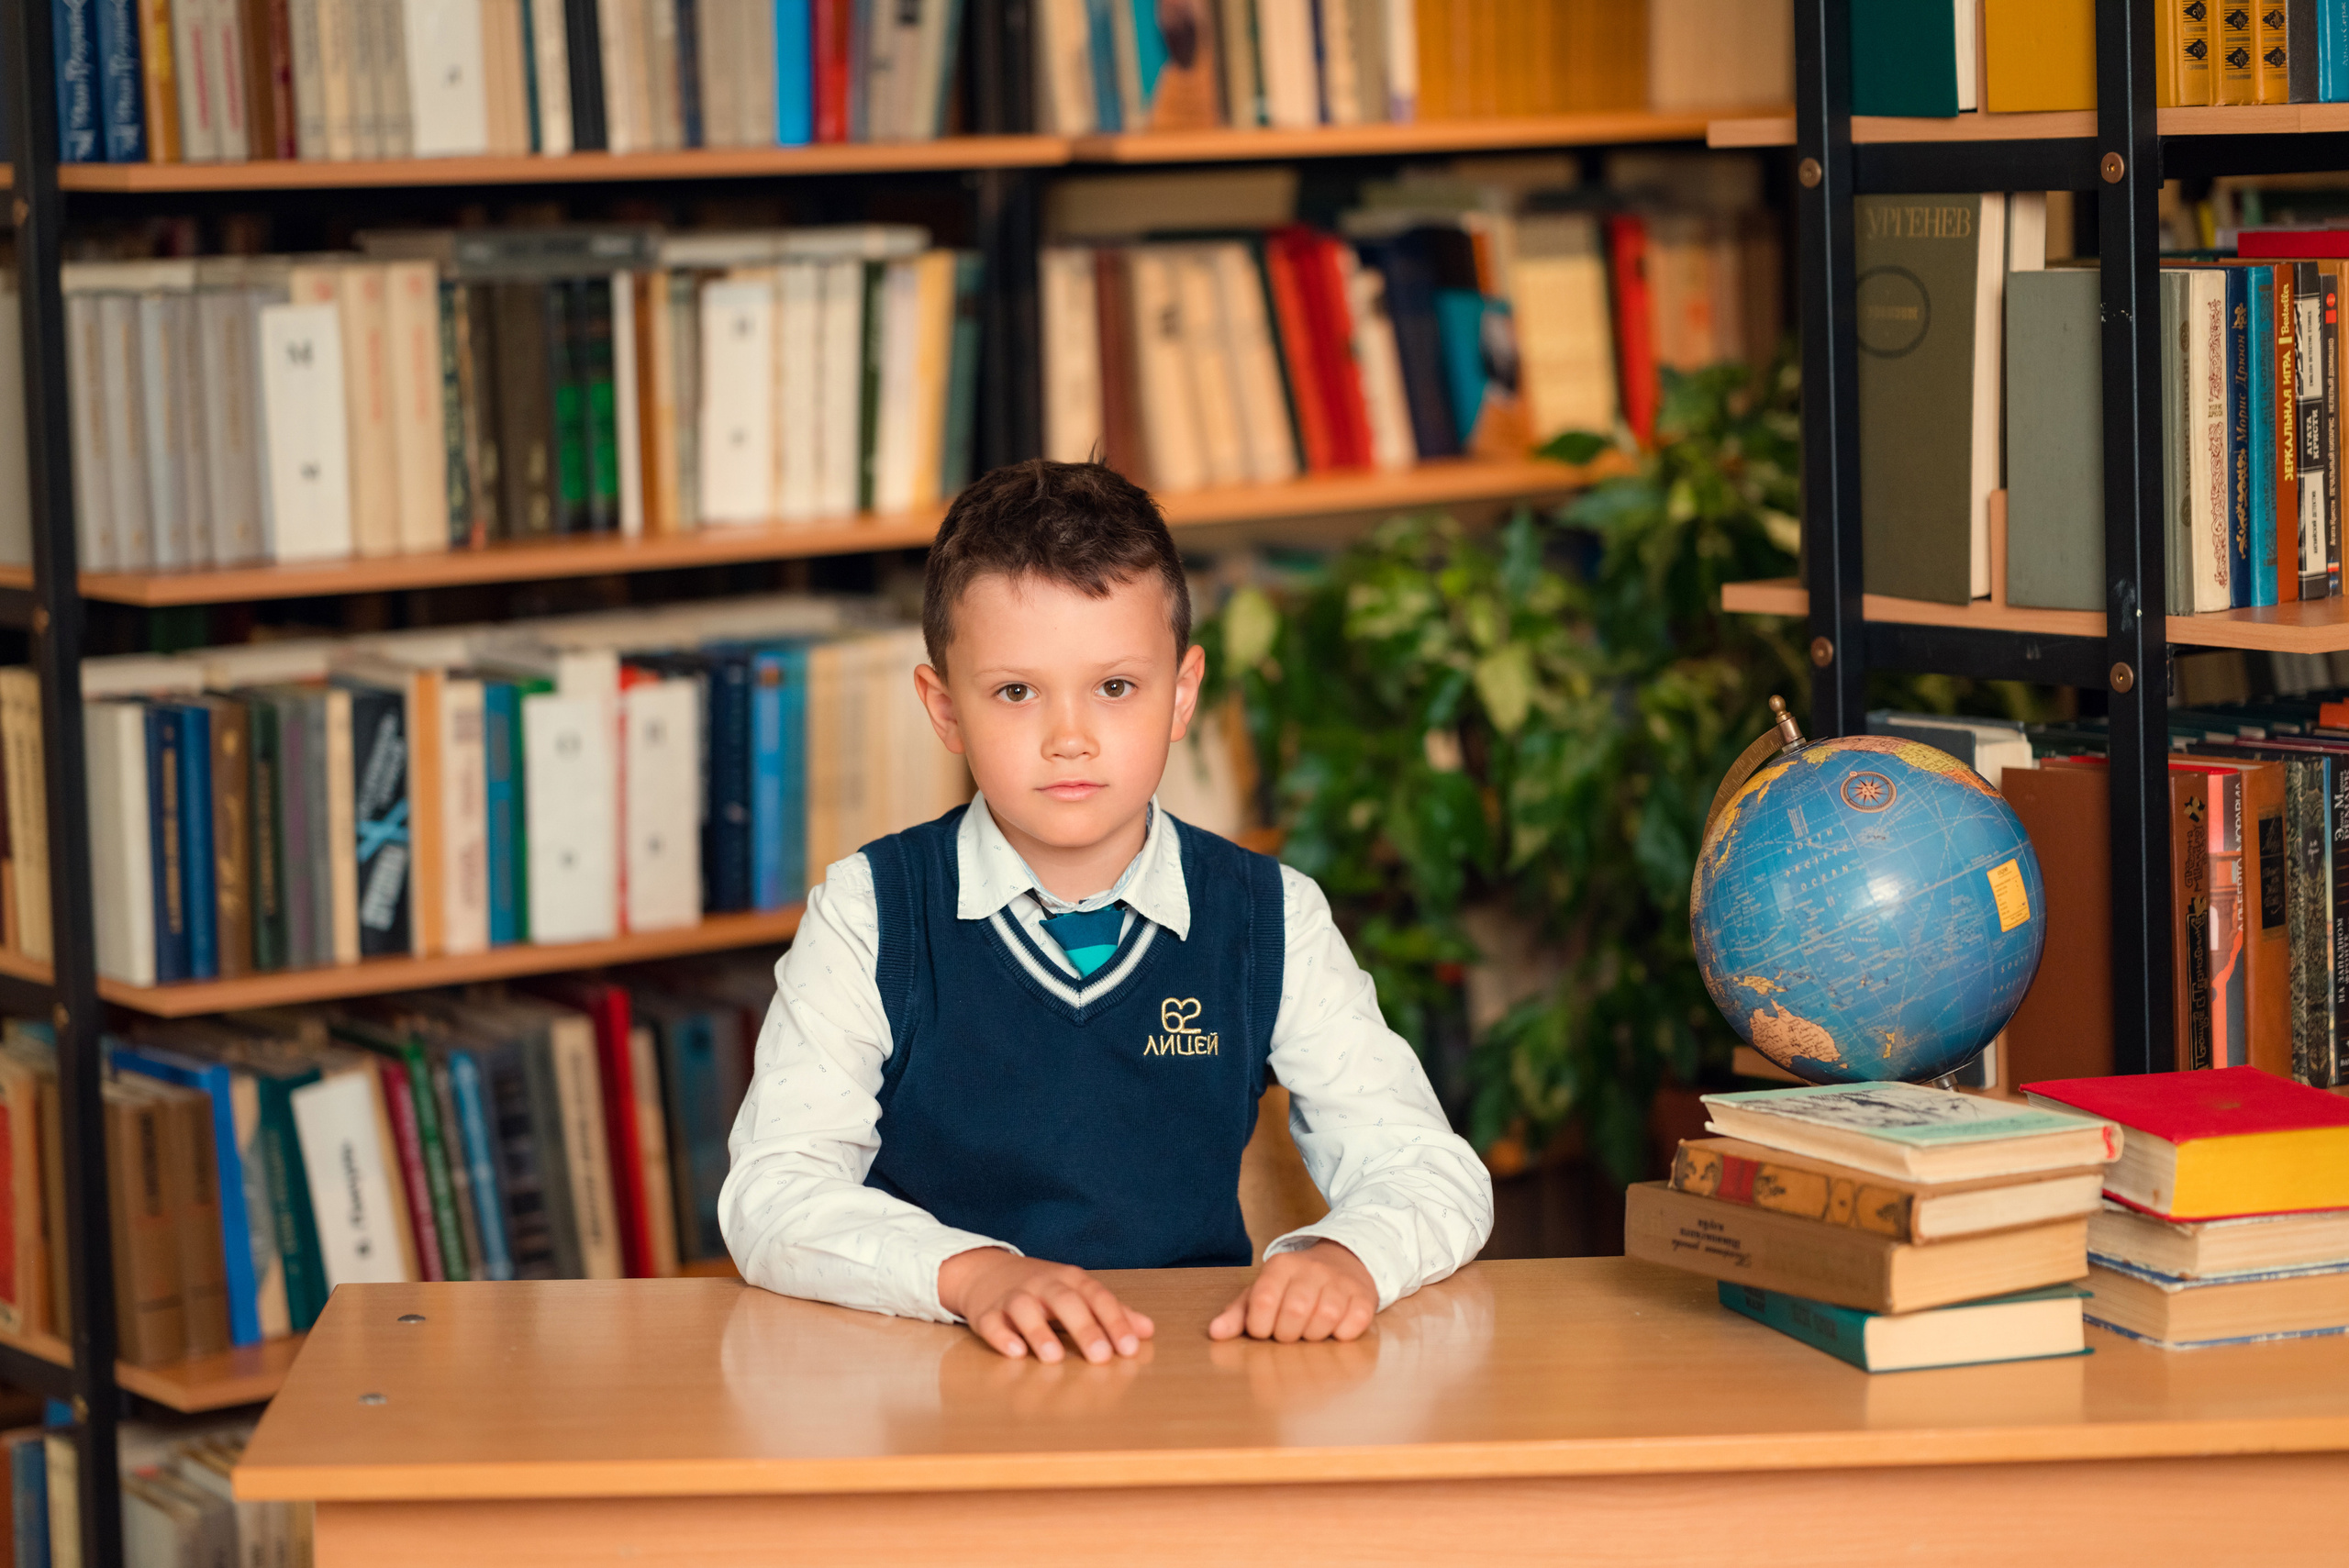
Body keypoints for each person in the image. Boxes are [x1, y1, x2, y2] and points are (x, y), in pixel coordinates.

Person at [720, 460, 1493, 1362]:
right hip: (939, 1373)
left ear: (1182, 691)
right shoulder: (868, 913)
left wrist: (1346, 1254)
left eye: (1115, 686)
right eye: (1016, 691)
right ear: (945, 709)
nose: (1070, 736)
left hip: (1191, 1375)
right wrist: (971, 1273)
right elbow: (771, 1192)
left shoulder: (1268, 914)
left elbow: (1432, 1170)